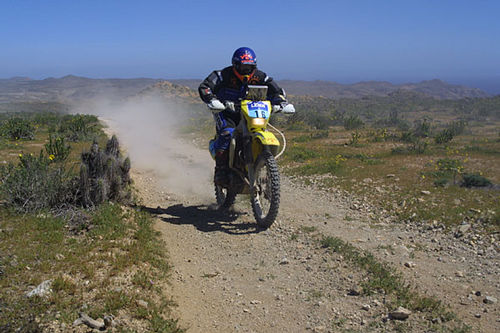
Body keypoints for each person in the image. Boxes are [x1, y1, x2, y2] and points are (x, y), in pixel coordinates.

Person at [199, 47, 288, 186]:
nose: (246, 70)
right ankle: (220, 171)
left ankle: (260, 164)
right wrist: (212, 99)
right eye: (243, 67)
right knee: (227, 133)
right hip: (226, 112)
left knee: (259, 131)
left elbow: (276, 90)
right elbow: (205, 86)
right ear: (235, 64)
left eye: (250, 67)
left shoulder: (260, 76)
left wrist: (280, 101)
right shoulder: (223, 75)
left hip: (250, 113)